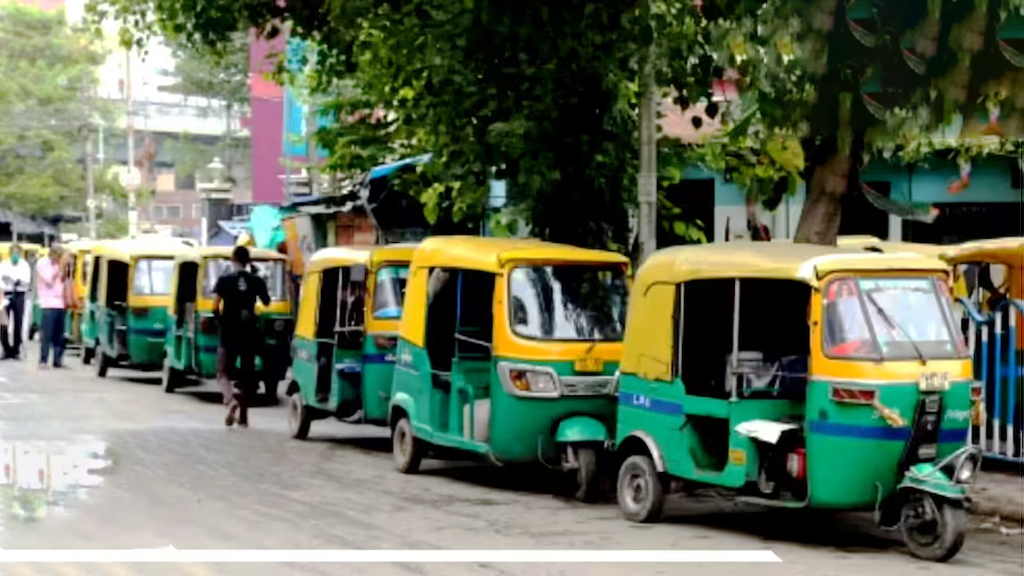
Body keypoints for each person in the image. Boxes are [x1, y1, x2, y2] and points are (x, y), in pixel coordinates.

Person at [213, 246, 270, 427]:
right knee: (247, 376)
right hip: (249, 334)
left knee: (223, 371)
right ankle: (244, 418)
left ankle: (230, 401)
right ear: (248, 261)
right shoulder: (256, 280)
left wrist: (222, 323)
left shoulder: (224, 280)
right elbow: (267, 302)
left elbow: (215, 307)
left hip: (229, 333)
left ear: (233, 259)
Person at [36, 242, 66, 369]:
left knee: (59, 334)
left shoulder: (62, 265)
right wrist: (59, 268)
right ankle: (43, 359)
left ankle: (58, 360)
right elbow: (48, 280)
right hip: (48, 303)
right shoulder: (43, 263)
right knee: (47, 333)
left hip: (60, 303)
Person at [0, 244, 30, 359]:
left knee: (18, 322)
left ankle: (16, 349)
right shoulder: (4, 264)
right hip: (6, 293)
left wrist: (16, 281)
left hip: (19, 294)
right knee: (3, 323)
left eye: (17, 253)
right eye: (13, 253)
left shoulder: (24, 266)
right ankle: (6, 348)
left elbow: (26, 281)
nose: (15, 256)